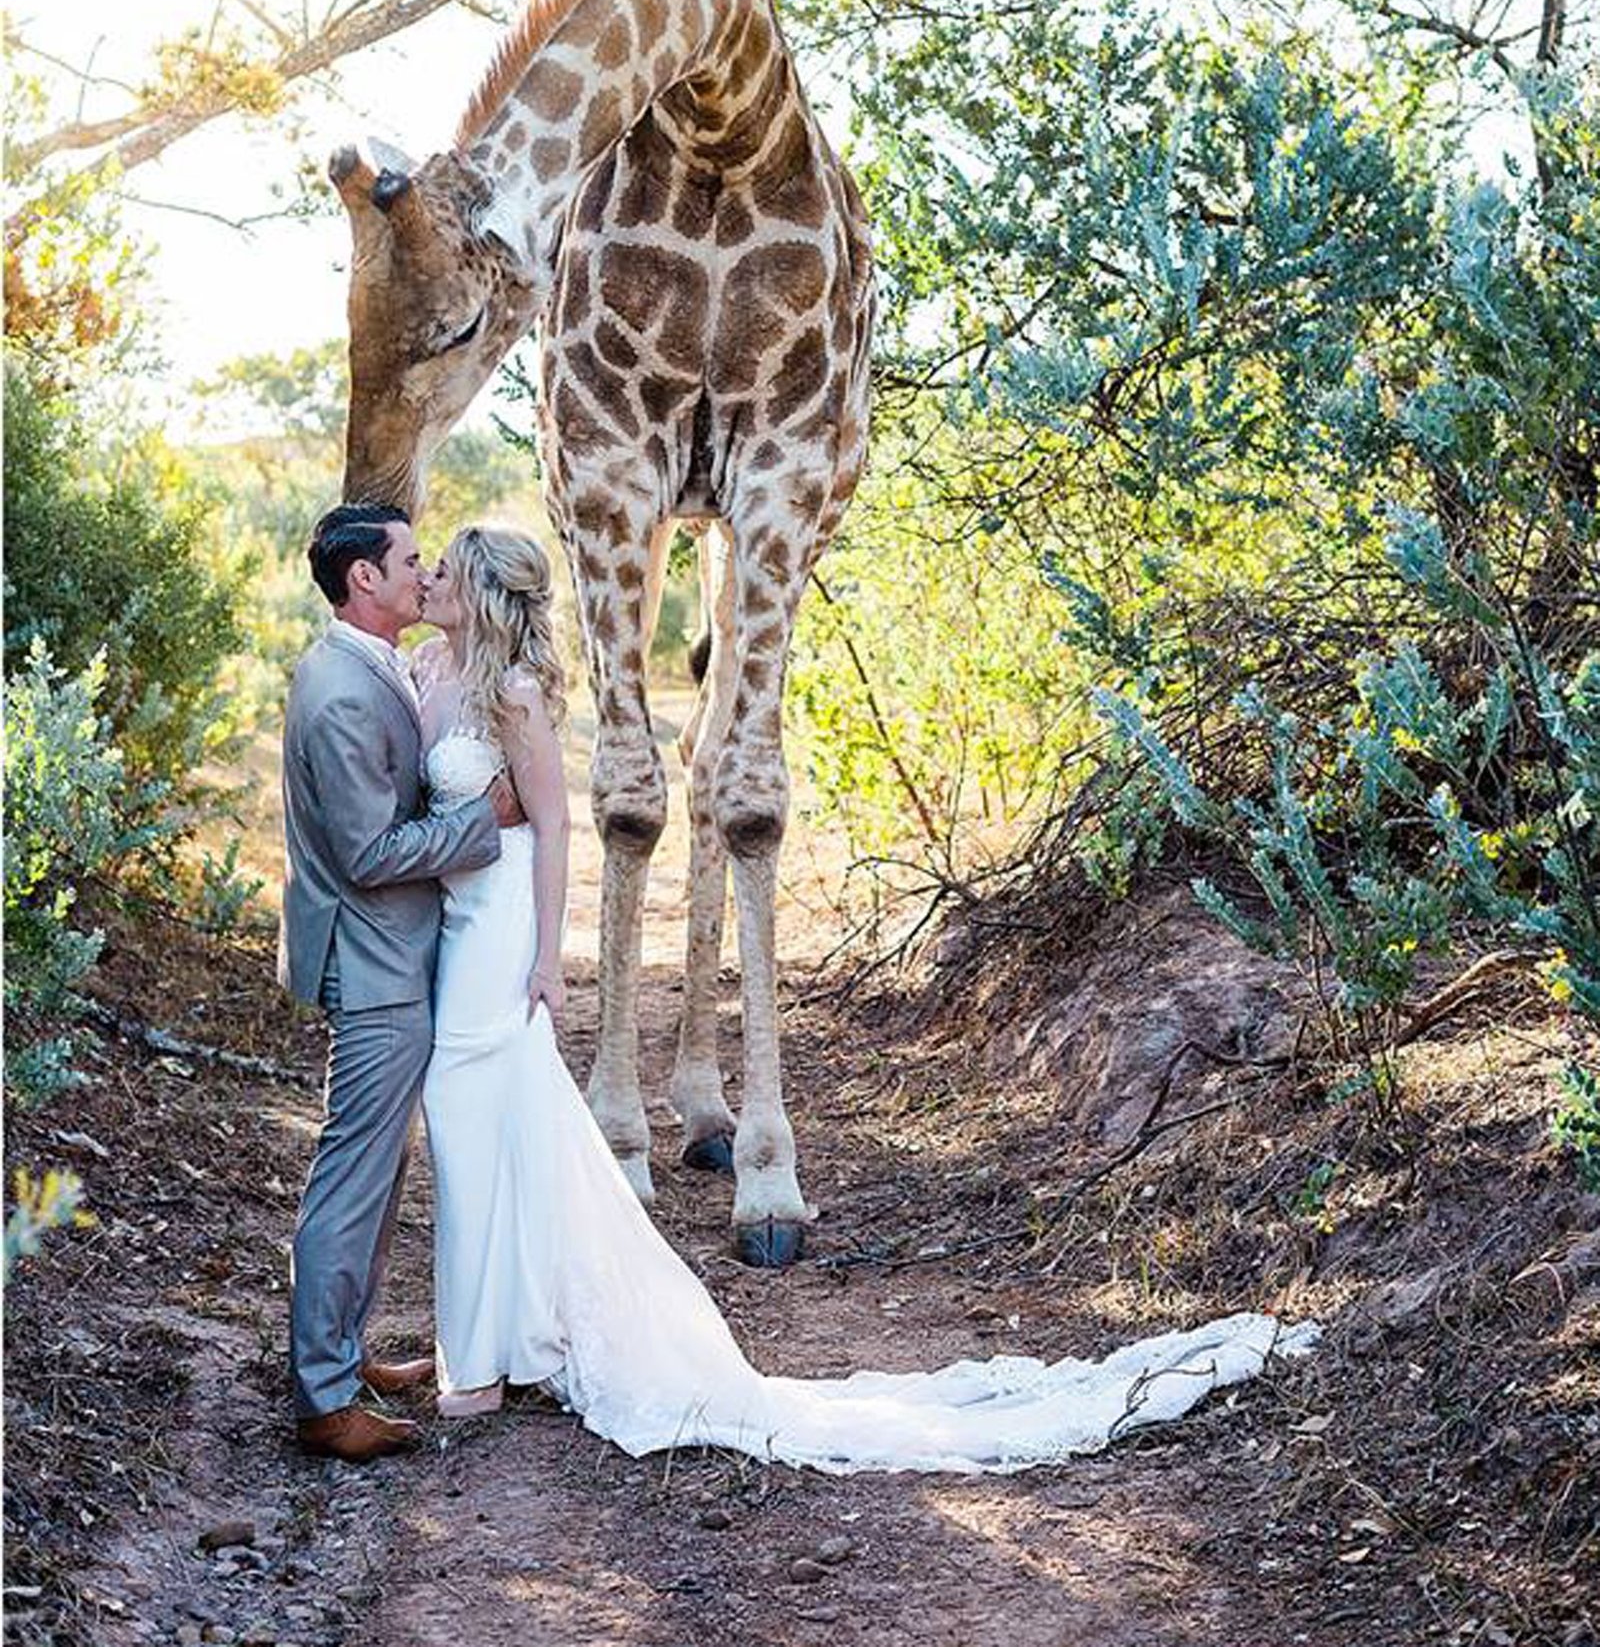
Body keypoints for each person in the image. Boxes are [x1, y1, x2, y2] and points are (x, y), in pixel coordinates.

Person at [416, 522, 1318, 1471]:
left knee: (479, 1117)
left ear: (479, 591)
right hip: (455, 926)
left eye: (443, 570)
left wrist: (548, 958)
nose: (429, 577)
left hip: (499, 931)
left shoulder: (516, 696)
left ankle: (478, 1360)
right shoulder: (434, 672)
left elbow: (554, 826)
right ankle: (502, 1337)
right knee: (494, 1129)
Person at [280, 502, 523, 1463]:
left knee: (378, 1174)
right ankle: (324, 1399)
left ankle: (343, 1355)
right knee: (352, 1176)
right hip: (374, 960)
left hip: (393, 951)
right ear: (365, 580)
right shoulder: (341, 691)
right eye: (412, 561)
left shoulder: (375, 665)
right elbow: (370, 851)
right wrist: (484, 819)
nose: (426, 575)